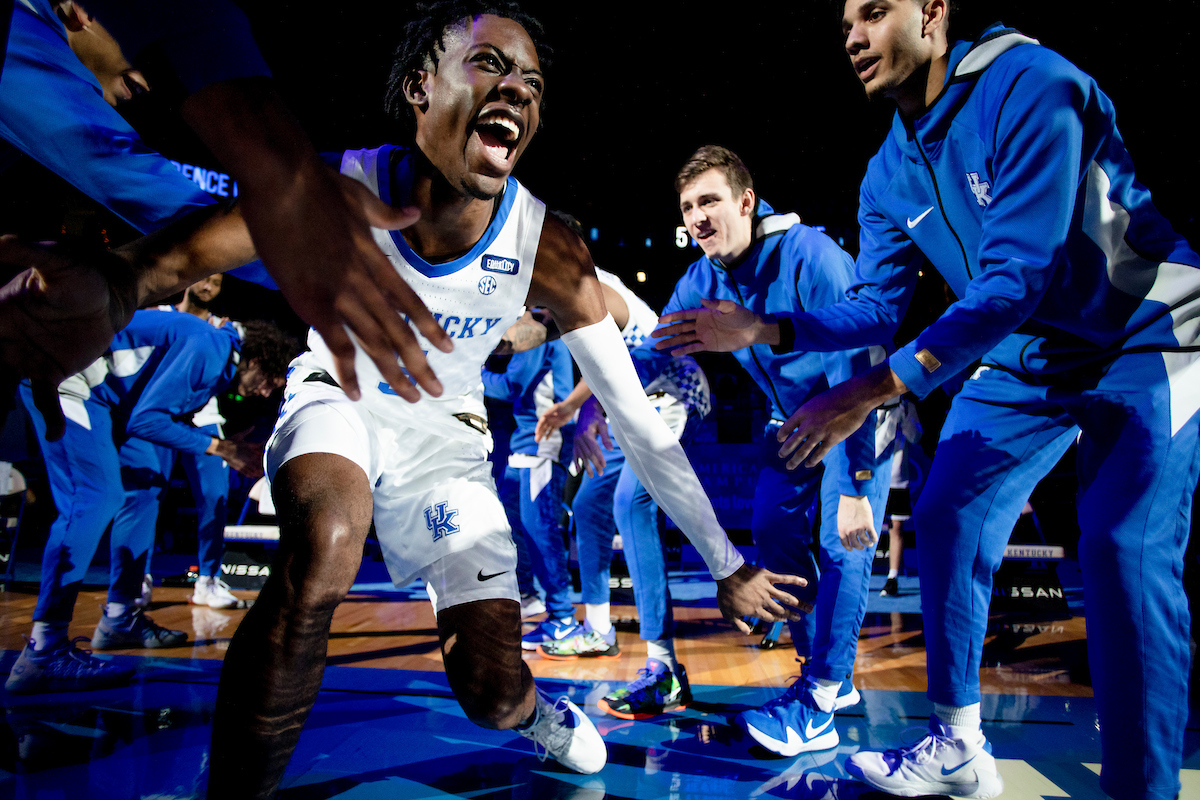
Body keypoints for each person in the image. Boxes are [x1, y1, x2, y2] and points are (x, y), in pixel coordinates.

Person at [182, 5, 807, 796]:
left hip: (446, 444)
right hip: (338, 397)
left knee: (490, 691)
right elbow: (193, 244)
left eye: (532, 83)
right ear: (420, 86)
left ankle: (530, 709)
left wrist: (726, 564)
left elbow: (640, 424)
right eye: (488, 65)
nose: (515, 89)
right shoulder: (336, 183)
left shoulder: (549, 248)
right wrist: (118, 280)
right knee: (327, 541)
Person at [655, 3, 1200, 798]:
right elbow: (876, 308)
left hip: (1143, 330)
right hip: (1023, 354)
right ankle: (958, 744)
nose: (853, 36)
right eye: (845, 22)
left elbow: (1017, 278)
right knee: (945, 512)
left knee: (1121, 550)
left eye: (875, 13)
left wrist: (864, 399)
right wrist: (767, 329)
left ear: (933, 12)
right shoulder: (887, 170)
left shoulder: (1033, 83)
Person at [0, 0, 452, 438]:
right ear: (81, 10)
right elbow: (122, 167)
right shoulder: (19, 43)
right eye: (143, 53)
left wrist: (129, 279)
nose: (149, 79)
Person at [645, 145, 892, 753]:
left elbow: (861, 359)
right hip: (790, 424)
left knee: (843, 544)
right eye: (687, 207)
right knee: (772, 534)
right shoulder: (701, 278)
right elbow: (647, 345)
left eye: (710, 201)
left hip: (854, 408)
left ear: (746, 202)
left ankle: (819, 699)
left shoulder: (813, 255)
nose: (698, 217)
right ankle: (827, 674)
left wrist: (857, 484)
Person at [4, 309, 292, 693]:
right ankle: (43, 649)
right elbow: (147, 420)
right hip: (67, 380)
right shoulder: (212, 347)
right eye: (271, 381)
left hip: (110, 402)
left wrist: (227, 445)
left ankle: (121, 617)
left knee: (145, 488)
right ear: (257, 359)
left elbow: (153, 412)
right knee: (95, 497)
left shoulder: (216, 351)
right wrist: (224, 448)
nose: (267, 391)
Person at [533, 262, 711, 720]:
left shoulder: (593, 289)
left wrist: (582, 408)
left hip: (671, 395)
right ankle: (597, 628)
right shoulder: (561, 295)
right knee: (589, 502)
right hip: (628, 402)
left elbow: (611, 358)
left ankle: (664, 669)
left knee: (630, 503)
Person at [481, 338, 580, 645]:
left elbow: (508, 386)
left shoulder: (538, 336)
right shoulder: (535, 337)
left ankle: (563, 617)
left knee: (541, 528)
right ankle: (527, 594)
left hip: (543, 442)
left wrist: (473, 371)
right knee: (510, 522)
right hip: (524, 443)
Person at [879, 397, 920, 597]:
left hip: (896, 477)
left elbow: (915, 436)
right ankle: (857, 575)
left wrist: (904, 418)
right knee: (865, 529)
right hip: (871, 475)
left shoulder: (907, 405)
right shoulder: (870, 396)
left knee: (896, 528)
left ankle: (892, 578)